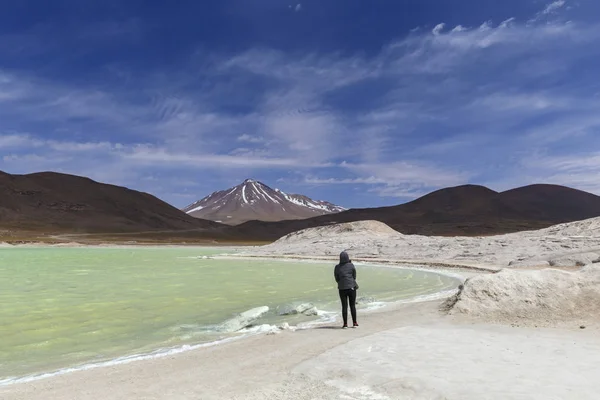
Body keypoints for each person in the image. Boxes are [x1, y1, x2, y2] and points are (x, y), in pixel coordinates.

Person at [334, 251, 358, 328]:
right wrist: (350, 281)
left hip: (342, 288)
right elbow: (354, 276)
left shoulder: (337, 267)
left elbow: (336, 278)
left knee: (344, 306)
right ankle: (354, 323)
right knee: (352, 305)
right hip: (351, 287)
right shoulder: (351, 265)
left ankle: (345, 324)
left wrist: (341, 283)